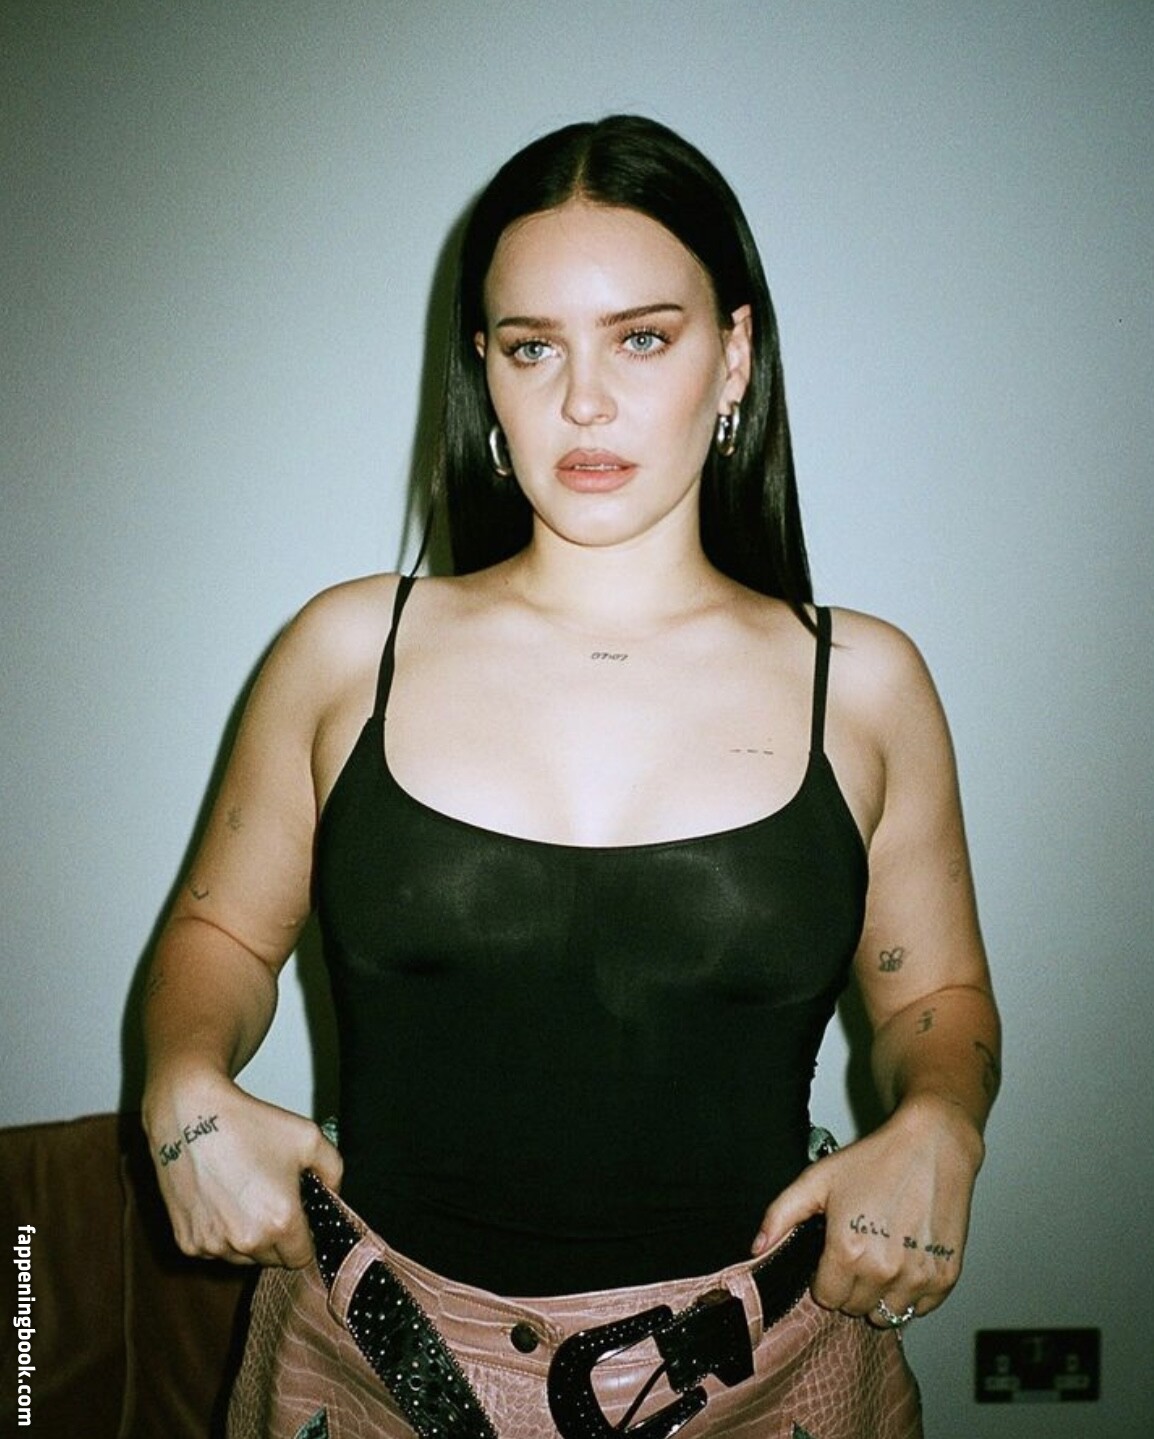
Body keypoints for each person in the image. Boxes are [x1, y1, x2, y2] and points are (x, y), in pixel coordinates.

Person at [142, 115, 999, 1438]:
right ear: (483, 369)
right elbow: (219, 934)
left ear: (735, 355)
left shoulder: (866, 686)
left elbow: (934, 993)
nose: (582, 402)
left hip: (760, 1382)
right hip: (376, 1373)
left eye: (640, 339)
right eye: (532, 347)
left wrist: (942, 1116)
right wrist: (185, 1083)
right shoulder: (347, 651)